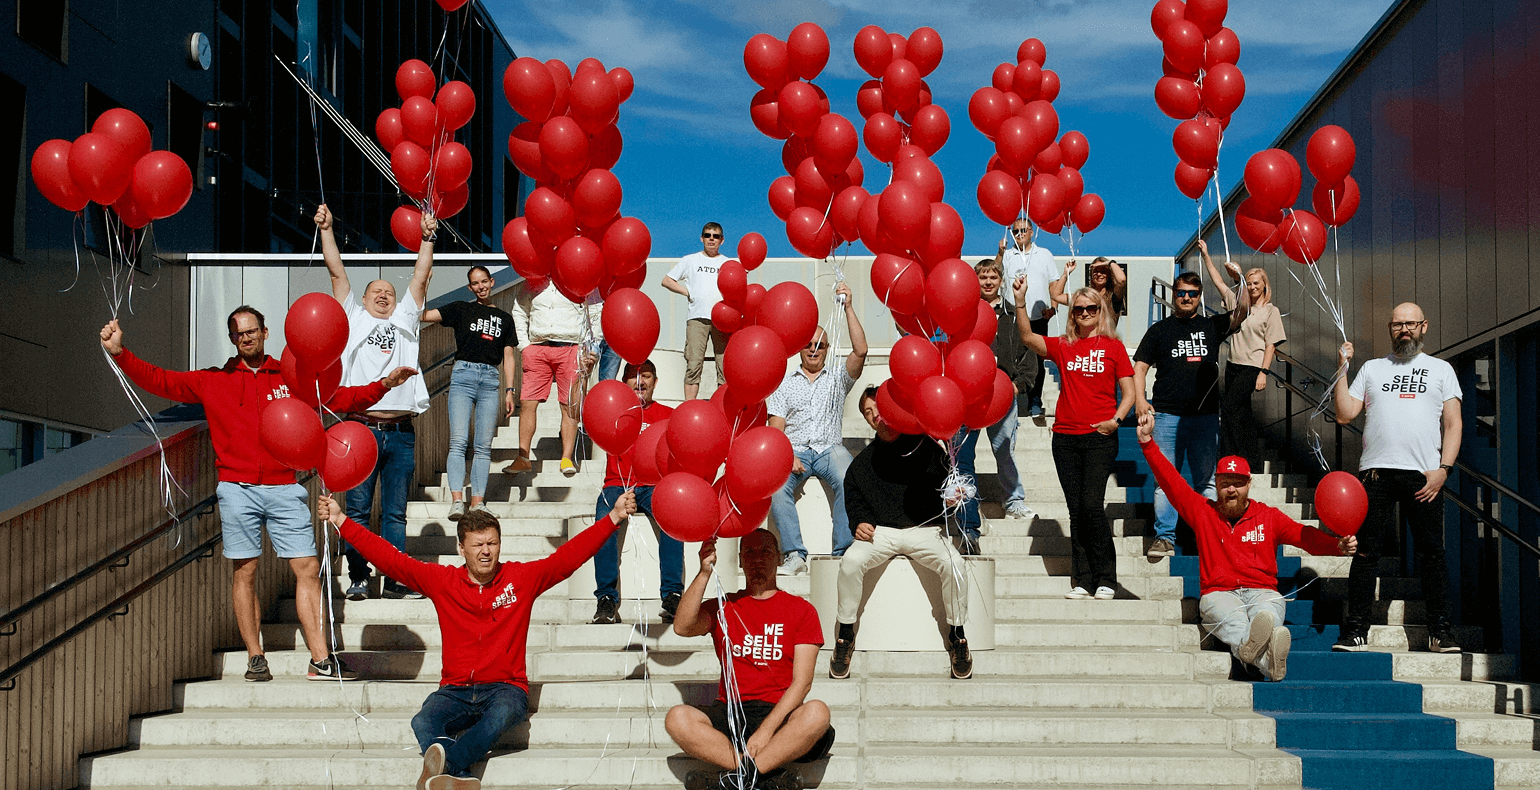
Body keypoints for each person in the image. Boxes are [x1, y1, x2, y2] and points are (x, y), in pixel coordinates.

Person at [100, 311, 415, 683]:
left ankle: (320, 658)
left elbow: (337, 397)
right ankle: (255, 656)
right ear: (232, 339)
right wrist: (121, 353)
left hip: (285, 486)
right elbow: (160, 381)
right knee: (245, 571)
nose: (247, 338)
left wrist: (383, 384)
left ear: (265, 333)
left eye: (252, 331)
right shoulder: (213, 380)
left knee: (308, 569)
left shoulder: (290, 376)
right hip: (236, 489)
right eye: (239, 334)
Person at [317, 489, 637, 790]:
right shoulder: (443, 582)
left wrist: (613, 517)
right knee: (423, 720)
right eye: (478, 545)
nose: (486, 552)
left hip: (505, 688)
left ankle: (445, 764)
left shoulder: (520, 580)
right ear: (461, 548)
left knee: (497, 718)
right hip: (455, 690)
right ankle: (459, 775)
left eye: (493, 544)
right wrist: (342, 520)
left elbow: (567, 558)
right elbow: (390, 560)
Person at [1136, 414, 1355, 680]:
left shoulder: (1269, 517)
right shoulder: (1202, 513)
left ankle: (1256, 655)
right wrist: (1148, 442)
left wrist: (1337, 546)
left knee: (1267, 612)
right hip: (1220, 593)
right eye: (1225, 483)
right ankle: (1268, 661)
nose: (1231, 490)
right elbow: (1172, 482)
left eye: (1237, 483)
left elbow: (1304, 536)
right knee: (1237, 623)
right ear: (1215, 484)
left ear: (1249, 484)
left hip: (1262, 590)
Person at [1332, 302, 1464, 653]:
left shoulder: (1441, 370)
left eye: (1411, 324)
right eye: (1397, 325)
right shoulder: (1373, 369)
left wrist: (1444, 470)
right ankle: (1355, 629)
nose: (1404, 330)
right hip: (1375, 472)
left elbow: (1454, 423)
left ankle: (1440, 632)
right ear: (1390, 329)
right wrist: (1342, 369)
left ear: (1424, 326)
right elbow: (1345, 414)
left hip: (1424, 477)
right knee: (1365, 553)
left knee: (1432, 554)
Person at [318, 204, 434, 601]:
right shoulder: (352, 317)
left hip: (401, 432)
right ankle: (358, 578)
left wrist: (427, 237)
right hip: (360, 429)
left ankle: (398, 578)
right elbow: (337, 272)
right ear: (363, 300)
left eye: (388, 292)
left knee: (396, 512)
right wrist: (328, 230)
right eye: (376, 293)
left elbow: (420, 276)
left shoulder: (406, 319)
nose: (384, 297)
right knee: (359, 510)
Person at [666, 530, 834, 790]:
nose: (757, 559)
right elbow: (682, 627)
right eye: (750, 553)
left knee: (817, 713)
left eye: (765, 552)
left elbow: (802, 684)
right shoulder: (724, 606)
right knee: (677, 718)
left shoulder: (802, 610)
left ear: (778, 559)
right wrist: (703, 573)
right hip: (732, 712)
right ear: (741, 560)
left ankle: (736, 779)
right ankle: (762, 778)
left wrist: (767, 730)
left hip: (780, 715)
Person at [829, 387, 972, 681]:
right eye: (868, 414)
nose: (875, 417)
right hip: (881, 534)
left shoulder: (929, 449)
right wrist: (858, 522)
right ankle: (845, 635)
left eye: (877, 409)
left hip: (925, 531)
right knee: (851, 561)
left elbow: (944, 492)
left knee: (955, 565)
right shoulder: (862, 463)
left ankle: (957, 636)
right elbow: (853, 498)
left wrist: (949, 500)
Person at [1014, 281, 1135, 601]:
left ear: (1100, 312)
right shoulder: (1063, 344)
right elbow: (1027, 337)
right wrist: (1020, 301)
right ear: (1072, 313)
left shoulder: (1114, 347)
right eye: (1078, 308)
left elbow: (1130, 392)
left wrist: (1116, 420)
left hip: (1100, 437)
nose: (1084, 313)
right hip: (1065, 439)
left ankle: (1106, 578)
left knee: (1092, 506)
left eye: (1091, 308)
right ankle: (1081, 580)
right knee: (1075, 510)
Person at [1132, 269, 1251, 561]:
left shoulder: (1212, 326)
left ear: (1199, 297)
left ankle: (1211, 537)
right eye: (1181, 292)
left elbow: (1243, 311)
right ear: (1174, 294)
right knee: (1165, 480)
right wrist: (1139, 399)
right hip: (1167, 415)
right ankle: (1164, 538)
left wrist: (1240, 282)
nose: (1186, 298)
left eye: (1192, 294)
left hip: (1205, 416)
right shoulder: (1159, 330)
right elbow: (1140, 368)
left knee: (1207, 482)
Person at [766, 281, 868, 574]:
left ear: (827, 349)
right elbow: (776, 429)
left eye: (820, 345)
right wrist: (786, 454)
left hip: (829, 448)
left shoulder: (837, 378)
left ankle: (843, 550)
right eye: (808, 345)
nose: (813, 350)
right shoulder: (783, 383)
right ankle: (795, 555)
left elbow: (860, 351)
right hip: (795, 448)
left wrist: (848, 306)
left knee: (850, 477)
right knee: (776, 487)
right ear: (799, 349)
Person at [951, 260, 1038, 552]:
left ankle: (1014, 500)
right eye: (982, 277)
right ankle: (967, 521)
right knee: (963, 457)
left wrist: (1018, 385)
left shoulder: (1012, 316)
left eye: (993, 276)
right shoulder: (962, 314)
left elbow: (1029, 350)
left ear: (1001, 280)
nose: (988, 281)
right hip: (968, 394)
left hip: (1003, 392)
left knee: (1004, 450)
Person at [421, 266, 519, 521]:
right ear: (470, 288)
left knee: (483, 446)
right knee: (459, 441)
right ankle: (456, 501)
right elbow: (423, 315)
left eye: (484, 281)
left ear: (492, 281)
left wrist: (510, 390)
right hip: (463, 376)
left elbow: (509, 356)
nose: (480, 287)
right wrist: (424, 283)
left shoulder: (505, 319)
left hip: (490, 380)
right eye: (475, 283)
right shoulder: (460, 309)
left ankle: (477, 502)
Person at [589, 359, 681, 625]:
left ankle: (672, 595)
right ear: (623, 383)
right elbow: (580, 408)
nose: (640, 381)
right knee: (603, 521)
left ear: (655, 382)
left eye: (647, 376)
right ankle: (606, 599)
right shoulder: (612, 410)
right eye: (632, 376)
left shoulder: (668, 413)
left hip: (652, 485)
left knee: (673, 518)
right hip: (616, 483)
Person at [1198, 240, 1285, 466]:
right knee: (1242, 413)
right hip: (1233, 365)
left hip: (1252, 367)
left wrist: (1263, 372)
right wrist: (1207, 254)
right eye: (1250, 283)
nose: (1254, 287)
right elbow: (1217, 280)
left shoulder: (1270, 311)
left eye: (1257, 283)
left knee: (1228, 408)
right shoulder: (1237, 304)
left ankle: (1229, 458)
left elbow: (1270, 344)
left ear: (1265, 285)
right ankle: (1251, 460)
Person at [503, 278, 601, 476]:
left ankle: (567, 457)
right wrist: (524, 346)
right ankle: (523, 457)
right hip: (538, 347)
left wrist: (593, 349)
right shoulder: (533, 281)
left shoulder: (580, 274)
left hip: (571, 347)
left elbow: (596, 313)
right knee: (528, 402)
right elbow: (520, 310)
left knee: (569, 405)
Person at [995, 218, 1058, 417]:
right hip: (1011, 318)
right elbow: (995, 273)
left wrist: (1054, 307)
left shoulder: (1045, 254)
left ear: (1032, 231)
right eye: (1015, 231)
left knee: (1038, 361)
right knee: (1008, 358)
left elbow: (1053, 282)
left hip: (1037, 316)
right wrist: (1000, 253)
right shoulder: (1008, 255)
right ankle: (1005, 400)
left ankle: (1035, 400)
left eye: (1023, 230)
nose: (1019, 234)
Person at [662, 222, 728, 400]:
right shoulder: (690, 260)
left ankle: (723, 408)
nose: (711, 239)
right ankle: (689, 406)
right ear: (702, 238)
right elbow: (667, 280)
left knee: (725, 367)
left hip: (723, 319)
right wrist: (687, 291)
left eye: (715, 236)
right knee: (694, 364)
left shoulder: (729, 263)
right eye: (708, 235)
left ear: (722, 240)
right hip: (697, 318)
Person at [1050, 257, 1127, 329]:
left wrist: (1110, 263)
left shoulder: (1114, 296)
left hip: (1106, 341)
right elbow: (1056, 296)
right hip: (1085, 341)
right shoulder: (1085, 296)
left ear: (1109, 274)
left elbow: (1121, 280)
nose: (1099, 274)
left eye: (1103, 271)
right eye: (1096, 271)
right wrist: (1065, 274)